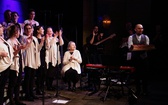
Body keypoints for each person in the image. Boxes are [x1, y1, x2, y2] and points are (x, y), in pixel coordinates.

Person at [6, 25, 26, 105]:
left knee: (18, 82)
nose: (19, 33)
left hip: (19, 63)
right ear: (15, 32)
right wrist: (18, 49)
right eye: (18, 31)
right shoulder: (9, 41)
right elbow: (11, 55)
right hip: (13, 65)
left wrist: (25, 45)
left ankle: (17, 99)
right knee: (12, 83)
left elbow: (21, 50)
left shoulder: (17, 40)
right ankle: (11, 100)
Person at [128, 24, 150, 96]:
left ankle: (145, 90)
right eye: (139, 28)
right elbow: (130, 47)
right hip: (135, 59)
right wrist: (140, 47)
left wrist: (136, 47)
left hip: (144, 59)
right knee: (136, 76)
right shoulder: (131, 37)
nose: (141, 30)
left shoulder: (146, 37)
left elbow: (146, 47)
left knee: (145, 76)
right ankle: (138, 90)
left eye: (142, 28)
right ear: (135, 29)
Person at [0, 23, 14, 105]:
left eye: (1, 27)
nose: (2, 28)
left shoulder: (2, 38)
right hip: (1, 66)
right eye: (0, 27)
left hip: (6, 65)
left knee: (2, 87)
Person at [33, 25, 45, 95]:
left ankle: (41, 88)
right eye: (42, 29)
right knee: (39, 74)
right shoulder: (35, 39)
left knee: (43, 74)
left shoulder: (42, 38)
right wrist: (42, 42)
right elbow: (37, 49)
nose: (43, 30)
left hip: (43, 57)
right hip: (38, 57)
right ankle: (38, 89)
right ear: (38, 31)